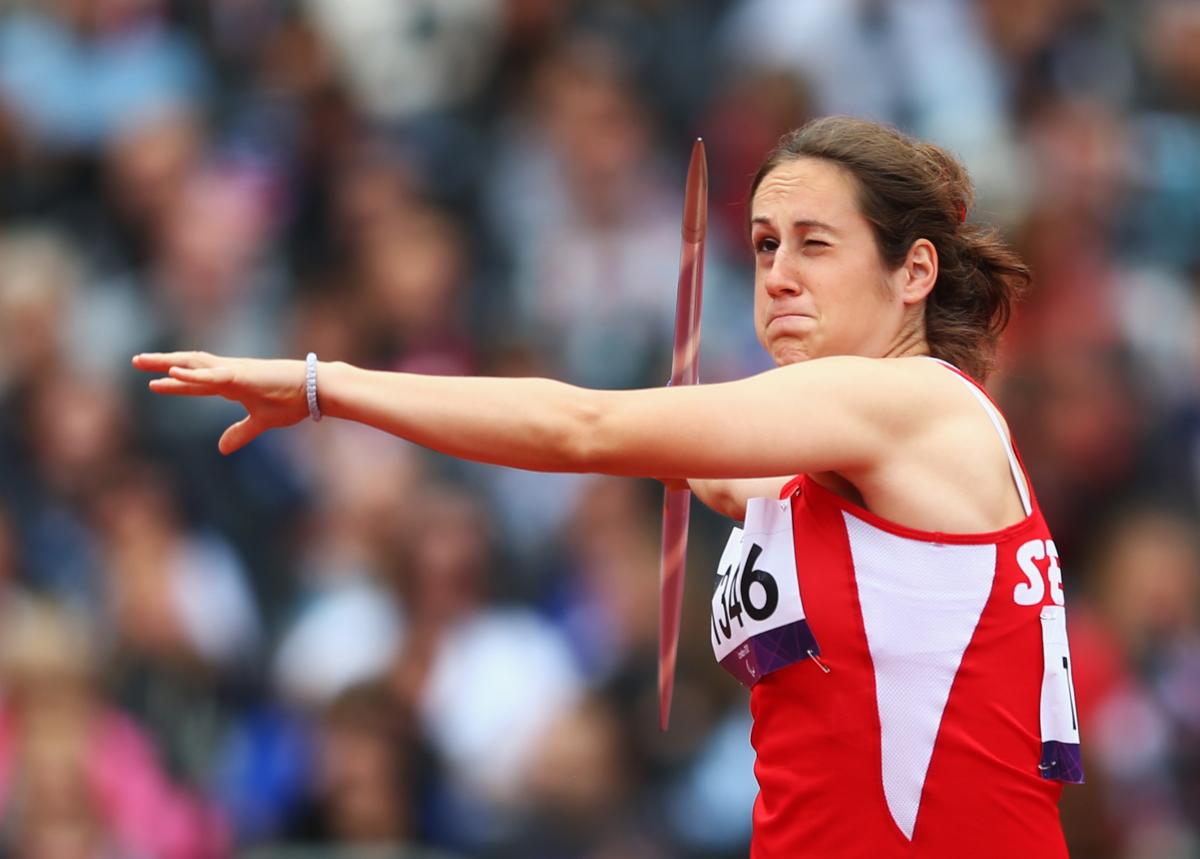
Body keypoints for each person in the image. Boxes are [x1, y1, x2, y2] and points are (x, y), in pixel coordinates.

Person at [134, 116, 1082, 858]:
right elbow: (717, 475)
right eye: (760, 245)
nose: (779, 275)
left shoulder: (909, 402)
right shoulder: (832, 463)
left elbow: (579, 429)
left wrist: (323, 385)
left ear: (914, 270)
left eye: (813, 244)